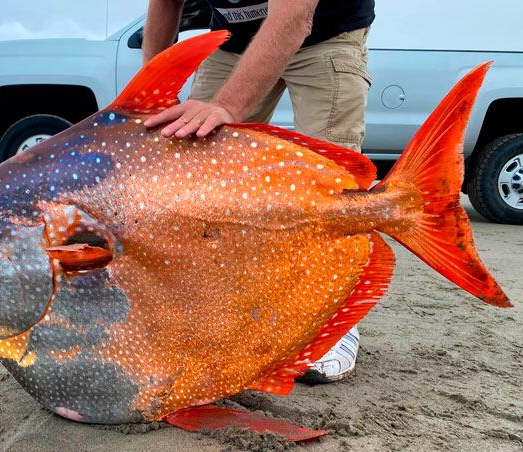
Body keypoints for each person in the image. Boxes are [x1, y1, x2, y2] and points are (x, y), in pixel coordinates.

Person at [142, 0, 375, 383]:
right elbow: (166, 3)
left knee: (332, 181)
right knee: (193, 169)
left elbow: (294, 16)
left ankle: (333, 322)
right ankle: (216, 313)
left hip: (325, 31)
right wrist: (156, 93)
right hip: (236, 43)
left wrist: (227, 105)